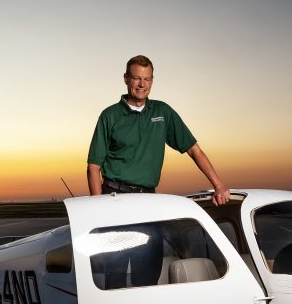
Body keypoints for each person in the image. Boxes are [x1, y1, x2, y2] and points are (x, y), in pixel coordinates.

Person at [86, 55, 231, 206]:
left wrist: (218, 186)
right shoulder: (109, 115)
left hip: (149, 198)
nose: (142, 84)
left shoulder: (163, 112)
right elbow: (93, 167)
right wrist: (99, 207)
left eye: (147, 79)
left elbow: (194, 150)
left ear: (152, 80)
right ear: (126, 78)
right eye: (136, 78)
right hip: (114, 196)